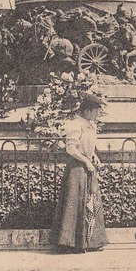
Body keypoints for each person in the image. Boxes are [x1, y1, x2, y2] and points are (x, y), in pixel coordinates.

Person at [51, 94, 107, 253]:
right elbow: (71, 148)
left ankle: (90, 242)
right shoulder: (76, 124)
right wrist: (86, 161)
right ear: (87, 111)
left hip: (87, 167)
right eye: (96, 111)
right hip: (76, 169)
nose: (97, 115)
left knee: (90, 203)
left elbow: (87, 146)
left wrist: (93, 157)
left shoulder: (91, 125)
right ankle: (70, 243)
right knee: (74, 204)